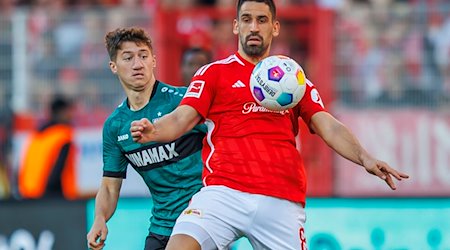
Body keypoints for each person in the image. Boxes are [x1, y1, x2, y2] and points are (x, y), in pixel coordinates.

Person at [130, 0, 410, 249]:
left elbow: (328, 125)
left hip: (281, 198)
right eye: (247, 19)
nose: (254, 26)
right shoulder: (214, 73)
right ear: (235, 26)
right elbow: (182, 117)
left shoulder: (293, 79)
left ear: (275, 27)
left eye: (262, 20)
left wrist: (365, 158)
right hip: (224, 192)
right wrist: (155, 130)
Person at [86, 27, 205, 250]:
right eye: (128, 58)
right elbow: (110, 187)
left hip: (203, 219)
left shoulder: (184, 100)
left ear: (154, 61)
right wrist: (100, 219)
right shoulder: (115, 126)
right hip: (162, 225)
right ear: (114, 66)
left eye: (143, 56)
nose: (137, 64)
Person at [18, 96, 78, 200]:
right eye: (69, 111)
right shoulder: (62, 136)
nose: (71, 115)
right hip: (50, 197)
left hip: (29, 193)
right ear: (62, 112)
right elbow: (57, 170)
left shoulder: (37, 136)